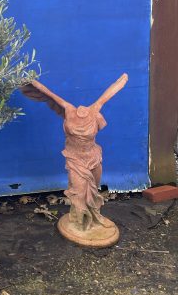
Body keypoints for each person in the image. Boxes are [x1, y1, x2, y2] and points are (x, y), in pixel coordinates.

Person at [21, 74, 128, 232]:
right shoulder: (69, 110)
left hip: (93, 157)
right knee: (78, 191)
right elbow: (49, 93)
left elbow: (109, 92)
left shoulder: (94, 110)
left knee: (94, 191)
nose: (82, 109)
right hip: (74, 158)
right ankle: (80, 222)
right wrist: (30, 81)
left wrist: (123, 79)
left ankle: (95, 217)